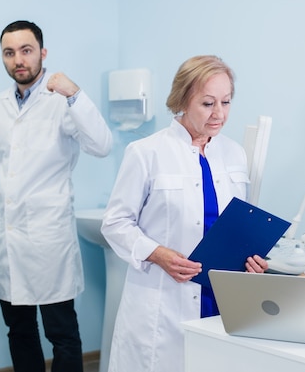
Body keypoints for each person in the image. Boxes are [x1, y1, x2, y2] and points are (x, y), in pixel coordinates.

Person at [0, 20, 113, 372]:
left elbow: (102, 145)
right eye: (9, 52)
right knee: (18, 330)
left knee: (61, 333)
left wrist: (76, 94)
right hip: (10, 235)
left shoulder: (61, 100)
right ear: (3, 58)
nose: (18, 59)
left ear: (42, 53)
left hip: (49, 238)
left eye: (26, 50)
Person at [100, 55, 268, 372]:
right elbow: (115, 223)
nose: (219, 114)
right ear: (183, 100)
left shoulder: (234, 154)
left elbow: (236, 225)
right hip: (162, 301)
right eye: (207, 103)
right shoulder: (147, 152)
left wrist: (251, 257)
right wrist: (157, 253)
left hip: (219, 297)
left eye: (226, 102)